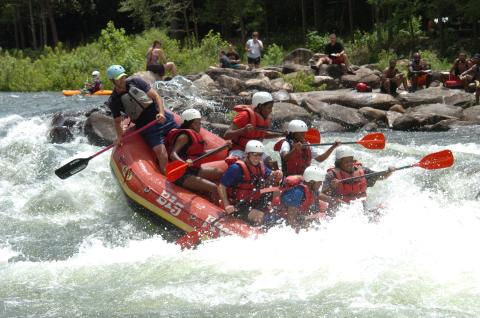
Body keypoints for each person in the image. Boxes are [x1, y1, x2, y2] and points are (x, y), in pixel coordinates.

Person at [105, 64, 178, 175]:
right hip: (146, 127)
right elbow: (117, 121)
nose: (122, 80)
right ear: (112, 81)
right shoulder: (114, 100)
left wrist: (162, 113)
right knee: (160, 151)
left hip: (160, 117)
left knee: (183, 135)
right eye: (118, 79)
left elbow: (156, 97)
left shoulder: (136, 82)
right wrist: (119, 136)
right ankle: (166, 175)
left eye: (123, 77)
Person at [217, 140, 283, 225]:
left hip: (252, 201)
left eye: (260, 155)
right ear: (247, 154)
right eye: (254, 154)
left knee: (274, 196)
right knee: (261, 217)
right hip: (237, 205)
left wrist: (277, 173)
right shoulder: (236, 168)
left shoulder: (260, 166)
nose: (257, 157)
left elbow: (271, 175)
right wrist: (226, 205)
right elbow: (221, 186)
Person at [166, 109, 227, 195]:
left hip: (191, 169)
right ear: (188, 123)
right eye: (195, 123)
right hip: (179, 173)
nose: (198, 126)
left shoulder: (194, 136)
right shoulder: (184, 136)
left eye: (199, 123)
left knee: (219, 173)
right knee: (213, 187)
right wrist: (184, 162)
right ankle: (218, 206)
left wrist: (222, 148)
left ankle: (201, 190)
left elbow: (201, 154)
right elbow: (173, 154)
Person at [322, 147, 395, 212]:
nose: (350, 164)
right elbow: (322, 195)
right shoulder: (332, 175)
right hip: (341, 210)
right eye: (346, 162)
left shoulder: (363, 171)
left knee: (382, 210)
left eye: (351, 161)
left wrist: (389, 171)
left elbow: (381, 176)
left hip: (360, 209)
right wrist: (331, 187)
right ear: (338, 163)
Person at [224, 91, 284, 158]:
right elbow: (226, 135)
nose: (271, 110)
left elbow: (263, 134)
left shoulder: (265, 118)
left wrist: (280, 135)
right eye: (269, 107)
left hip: (256, 150)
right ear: (260, 106)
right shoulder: (244, 115)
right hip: (239, 149)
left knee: (272, 163)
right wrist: (243, 130)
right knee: (236, 162)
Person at [276, 166, 336, 230]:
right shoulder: (298, 193)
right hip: (282, 220)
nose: (321, 184)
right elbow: (291, 218)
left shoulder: (311, 188)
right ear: (312, 182)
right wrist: (300, 230)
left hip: (298, 216)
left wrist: (332, 200)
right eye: (320, 182)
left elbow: (319, 195)